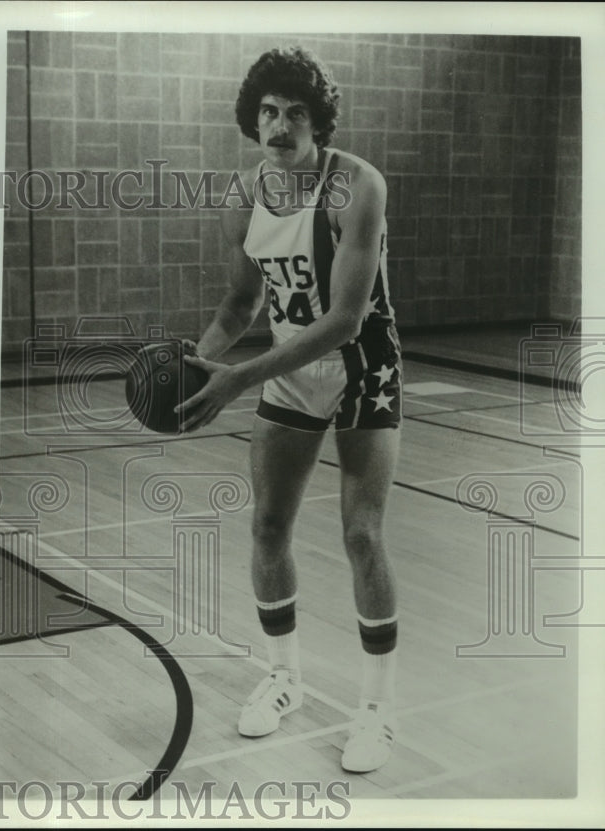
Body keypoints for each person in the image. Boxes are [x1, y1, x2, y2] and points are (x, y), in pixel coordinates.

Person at [178, 47, 402, 773]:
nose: (280, 126)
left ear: (318, 122)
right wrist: (193, 363)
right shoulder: (243, 195)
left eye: (295, 113)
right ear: (254, 120)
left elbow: (342, 319)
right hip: (287, 367)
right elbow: (241, 304)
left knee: (361, 534)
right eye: (268, 112)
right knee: (268, 526)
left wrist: (236, 379)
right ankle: (284, 677)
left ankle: (375, 710)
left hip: (363, 363)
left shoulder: (357, 186)